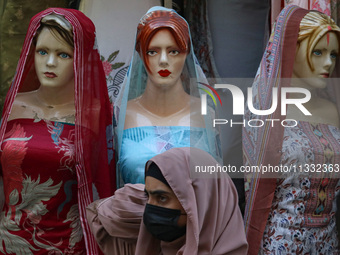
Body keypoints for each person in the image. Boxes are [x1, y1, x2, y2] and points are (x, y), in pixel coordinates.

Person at [0, 8, 114, 254]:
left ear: (80, 59)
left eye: (63, 54)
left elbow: (104, 185)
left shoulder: (94, 114)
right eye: (42, 52)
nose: (50, 63)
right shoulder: (12, 106)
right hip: (9, 243)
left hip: (68, 245)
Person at [243, 5, 340, 254]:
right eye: (317, 52)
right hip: (280, 246)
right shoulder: (265, 111)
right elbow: (256, 192)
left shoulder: (333, 110)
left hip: (329, 244)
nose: (327, 63)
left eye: (334, 54)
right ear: (290, 50)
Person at [114, 6, 222, 188]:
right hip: (135, 215)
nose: (163, 60)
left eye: (173, 51)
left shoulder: (206, 114)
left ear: (187, 53)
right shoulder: (121, 115)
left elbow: (216, 189)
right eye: (152, 51)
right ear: (140, 54)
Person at [87, 147, 248, 254]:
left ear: (201, 203)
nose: (150, 210)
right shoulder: (155, 246)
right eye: (147, 196)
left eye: (162, 198)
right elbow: (100, 212)